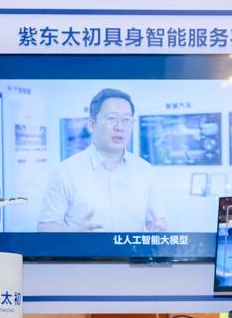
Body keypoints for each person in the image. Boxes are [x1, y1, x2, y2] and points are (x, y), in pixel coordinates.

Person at [37, 88, 166, 232]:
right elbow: (44, 227)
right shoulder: (65, 171)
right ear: (92, 124)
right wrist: (73, 232)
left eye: (126, 120)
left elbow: (158, 222)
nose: (120, 127)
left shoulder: (146, 170)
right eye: (111, 118)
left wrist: (159, 230)